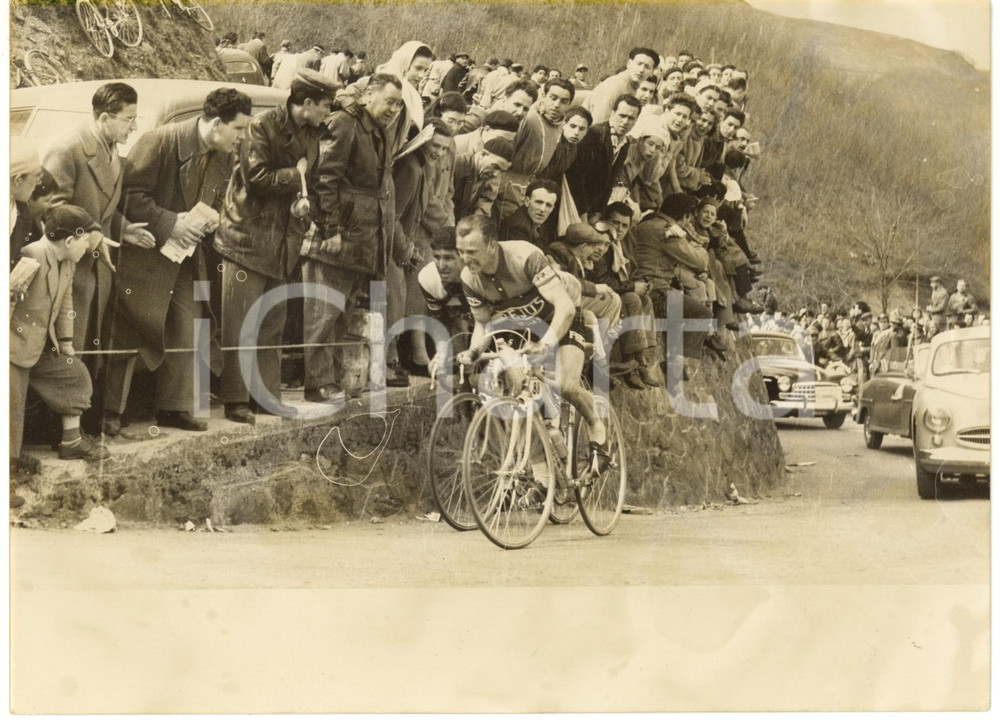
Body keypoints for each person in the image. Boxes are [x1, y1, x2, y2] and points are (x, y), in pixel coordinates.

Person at [101, 88, 253, 436]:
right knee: (131, 331)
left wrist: (211, 219)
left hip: (184, 254)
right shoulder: (159, 142)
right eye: (239, 129)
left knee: (188, 325)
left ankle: (174, 407)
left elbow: (215, 197)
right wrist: (171, 223)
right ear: (216, 124)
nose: (243, 137)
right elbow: (127, 197)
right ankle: (110, 411)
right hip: (144, 253)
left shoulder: (223, 154)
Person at [454, 215, 611, 495]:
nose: (465, 259)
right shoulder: (469, 277)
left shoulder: (525, 256)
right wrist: (473, 351)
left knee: (565, 385)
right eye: (461, 251)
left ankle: (596, 427)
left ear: (492, 245)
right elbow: (483, 323)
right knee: (517, 393)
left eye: (472, 251)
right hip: (520, 327)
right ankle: (542, 471)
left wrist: (547, 344)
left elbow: (565, 308)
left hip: (561, 318)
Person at [214, 69, 338, 424]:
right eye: (325, 105)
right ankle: (236, 398)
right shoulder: (262, 127)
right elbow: (255, 178)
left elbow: (312, 182)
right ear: (307, 103)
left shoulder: (311, 134)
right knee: (241, 322)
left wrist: (308, 208)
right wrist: (296, 175)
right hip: (247, 239)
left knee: (272, 322)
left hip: (283, 241)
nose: (328, 112)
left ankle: (266, 397)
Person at [300, 73, 404, 401]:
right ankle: (317, 382)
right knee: (323, 312)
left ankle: (330, 379)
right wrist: (330, 229)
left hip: (359, 239)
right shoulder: (345, 124)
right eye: (389, 101)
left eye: (398, 104)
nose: (394, 109)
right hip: (337, 238)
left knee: (341, 313)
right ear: (368, 95)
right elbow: (324, 179)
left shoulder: (376, 130)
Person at [43, 82, 157, 369]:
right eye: (129, 119)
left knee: (89, 354)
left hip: (97, 271)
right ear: (105, 118)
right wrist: (90, 233)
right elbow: (50, 209)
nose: (133, 127)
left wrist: (123, 228)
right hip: (71, 270)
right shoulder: (67, 149)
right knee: (68, 354)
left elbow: (104, 210)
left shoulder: (112, 149)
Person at [11, 206, 112, 490]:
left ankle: (71, 441)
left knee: (74, 374)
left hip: (43, 346)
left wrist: (66, 343)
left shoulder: (68, 262)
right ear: (69, 241)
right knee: (11, 412)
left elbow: (66, 304)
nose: (88, 248)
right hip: (13, 349)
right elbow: (8, 300)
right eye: (85, 241)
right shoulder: (31, 255)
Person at [498, 78, 575, 218]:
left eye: (564, 101)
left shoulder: (558, 126)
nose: (557, 105)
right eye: (553, 98)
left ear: (569, 104)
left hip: (530, 184)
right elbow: (504, 151)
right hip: (510, 182)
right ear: (543, 96)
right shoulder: (529, 118)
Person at [566, 94, 641, 219]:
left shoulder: (625, 143)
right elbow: (576, 178)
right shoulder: (594, 134)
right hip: (573, 204)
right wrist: (583, 214)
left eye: (631, 118)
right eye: (622, 115)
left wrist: (599, 212)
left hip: (592, 208)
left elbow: (609, 181)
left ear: (636, 121)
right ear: (612, 113)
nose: (625, 122)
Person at [583, 47, 659, 124]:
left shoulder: (633, 85)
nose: (641, 70)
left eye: (647, 67)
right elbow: (599, 123)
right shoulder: (615, 86)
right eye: (639, 64)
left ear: (652, 72)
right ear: (629, 64)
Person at [453, 137, 514, 220]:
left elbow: (485, 200)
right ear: (483, 154)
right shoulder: (456, 165)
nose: (496, 174)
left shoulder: (486, 171)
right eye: (495, 166)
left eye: (501, 171)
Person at [499, 179, 559, 249]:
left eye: (548, 205)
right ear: (527, 201)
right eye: (538, 202)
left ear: (553, 208)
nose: (542, 209)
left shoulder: (536, 221)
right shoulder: (518, 228)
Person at [453, 109, 519, 157]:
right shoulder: (457, 145)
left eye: (509, 141)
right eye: (501, 139)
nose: (505, 144)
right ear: (487, 129)